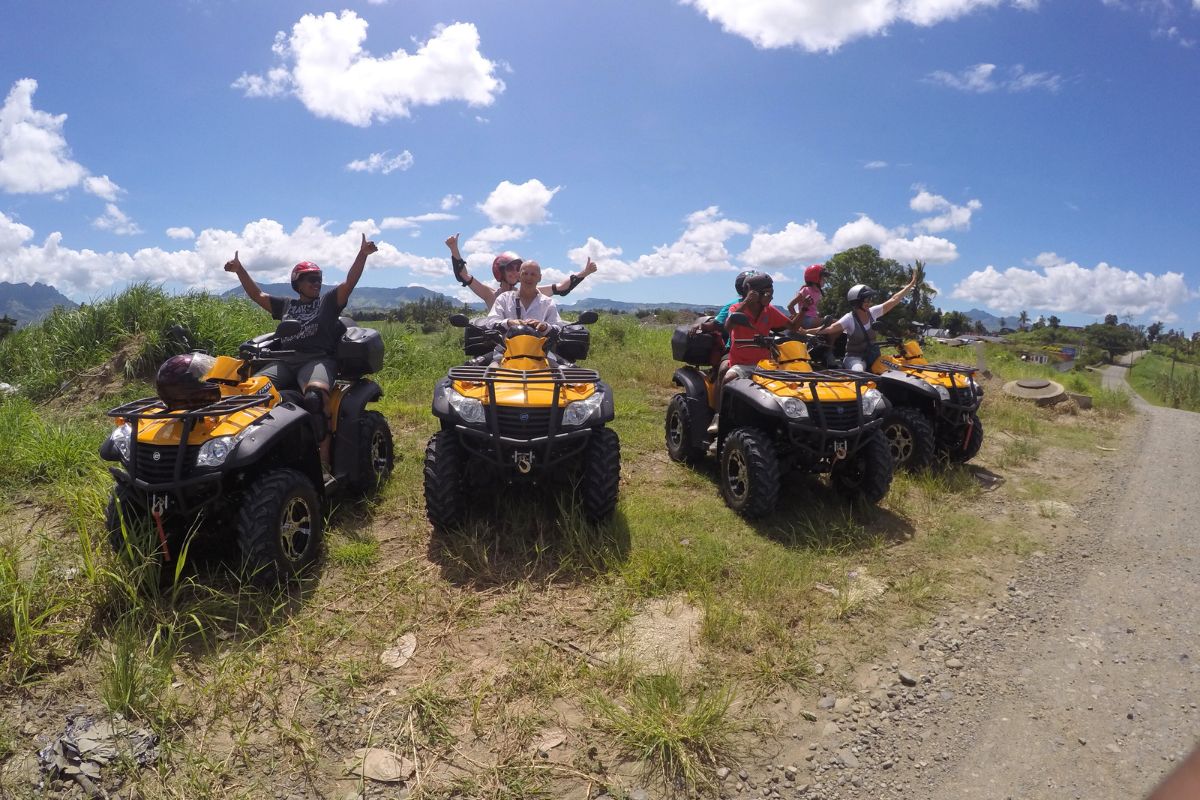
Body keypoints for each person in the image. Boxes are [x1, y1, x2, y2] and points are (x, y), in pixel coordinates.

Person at [224, 233, 379, 472]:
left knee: (316, 397)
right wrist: (240, 269)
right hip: (284, 360)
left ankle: (323, 464)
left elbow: (349, 283)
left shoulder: (328, 302)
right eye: (310, 279)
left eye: (318, 279)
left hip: (316, 360)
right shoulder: (287, 305)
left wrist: (362, 255)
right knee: (251, 392)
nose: (316, 283)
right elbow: (258, 295)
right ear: (297, 284)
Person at [709, 273, 801, 432]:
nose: (771, 297)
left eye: (771, 293)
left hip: (765, 365)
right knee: (728, 377)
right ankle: (719, 417)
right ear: (754, 293)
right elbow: (728, 326)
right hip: (742, 364)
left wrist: (804, 309)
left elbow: (792, 326)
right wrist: (746, 302)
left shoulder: (769, 311)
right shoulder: (737, 308)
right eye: (767, 293)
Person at [803, 269, 918, 372]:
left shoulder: (873, 312)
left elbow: (894, 299)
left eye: (870, 300)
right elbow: (831, 328)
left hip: (874, 357)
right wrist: (806, 332)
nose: (869, 303)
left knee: (899, 369)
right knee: (859, 371)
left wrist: (910, 285)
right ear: (857, 302)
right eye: (866, 300)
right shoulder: (849, 318)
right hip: (855, 358)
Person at [446, 233, 596, 310]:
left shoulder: (532, 292)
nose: (515, 272)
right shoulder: (490, 294)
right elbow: (464, 276)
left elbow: (561, 287)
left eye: (518, 269)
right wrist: (454, 249)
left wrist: (584, 273)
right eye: (510, 268)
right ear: (501, 271)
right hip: (500, 346)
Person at [484, 260, 562, 333]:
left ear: (539, 278)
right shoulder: (504, 298)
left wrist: (544, 327)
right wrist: (509, 323)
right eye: (525, 273)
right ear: (519, 276)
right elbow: (490, 322)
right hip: (507, 346)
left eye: (533, 274)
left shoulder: (548, 303)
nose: (529, 277)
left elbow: (558, 328)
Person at [787, 263, 826, 329]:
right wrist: (797, 319)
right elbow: (790, 306)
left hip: (813, 319)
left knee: (833, 323)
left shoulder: (818, 292)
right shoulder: (805, 290)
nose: (825, 280)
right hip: (805, 319)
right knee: (831, 322)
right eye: (823, 278)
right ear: (815, 278)